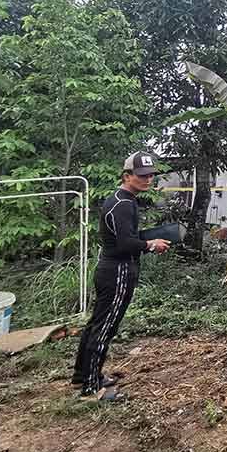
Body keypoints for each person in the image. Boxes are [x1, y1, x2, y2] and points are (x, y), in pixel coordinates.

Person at [72, 151, 170, 402]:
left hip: (110, 268)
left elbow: (123, 238)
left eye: (150, 175)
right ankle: (91, 389)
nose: (147, 180)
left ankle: (84, 375)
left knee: (97, 324)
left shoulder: (118, 199)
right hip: (117, 271)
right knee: (104, 328)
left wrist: (147, 238)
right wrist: (150, 244)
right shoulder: (124, 203)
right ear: (127, 176)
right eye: (141, 176)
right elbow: (125, 243)